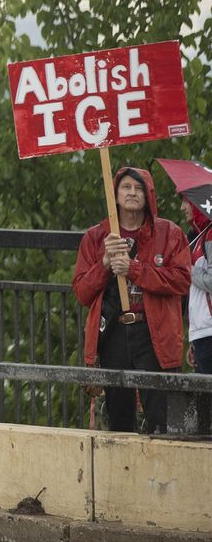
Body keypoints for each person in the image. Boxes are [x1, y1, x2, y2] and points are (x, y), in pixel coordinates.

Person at [72, 166, 191, 433]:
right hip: (114, 332)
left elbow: (182, 280)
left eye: (138, 188)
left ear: (148, 195)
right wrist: (103, 263)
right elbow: (81, 292)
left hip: (154, 332)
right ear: (115, 195)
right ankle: (122, 474)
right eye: (126, 187)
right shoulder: (96, 237)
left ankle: (163, 475)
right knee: (119, 419)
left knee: (163, 418)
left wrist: (135, 270)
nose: (132, 193)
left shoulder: (169, 233)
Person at [181, 197, 212, 374]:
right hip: (202, 334)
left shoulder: (210, 234)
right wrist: (193, 338)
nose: (182, 207)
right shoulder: (199, 236)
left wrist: (188, 269)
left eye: (186, 201)